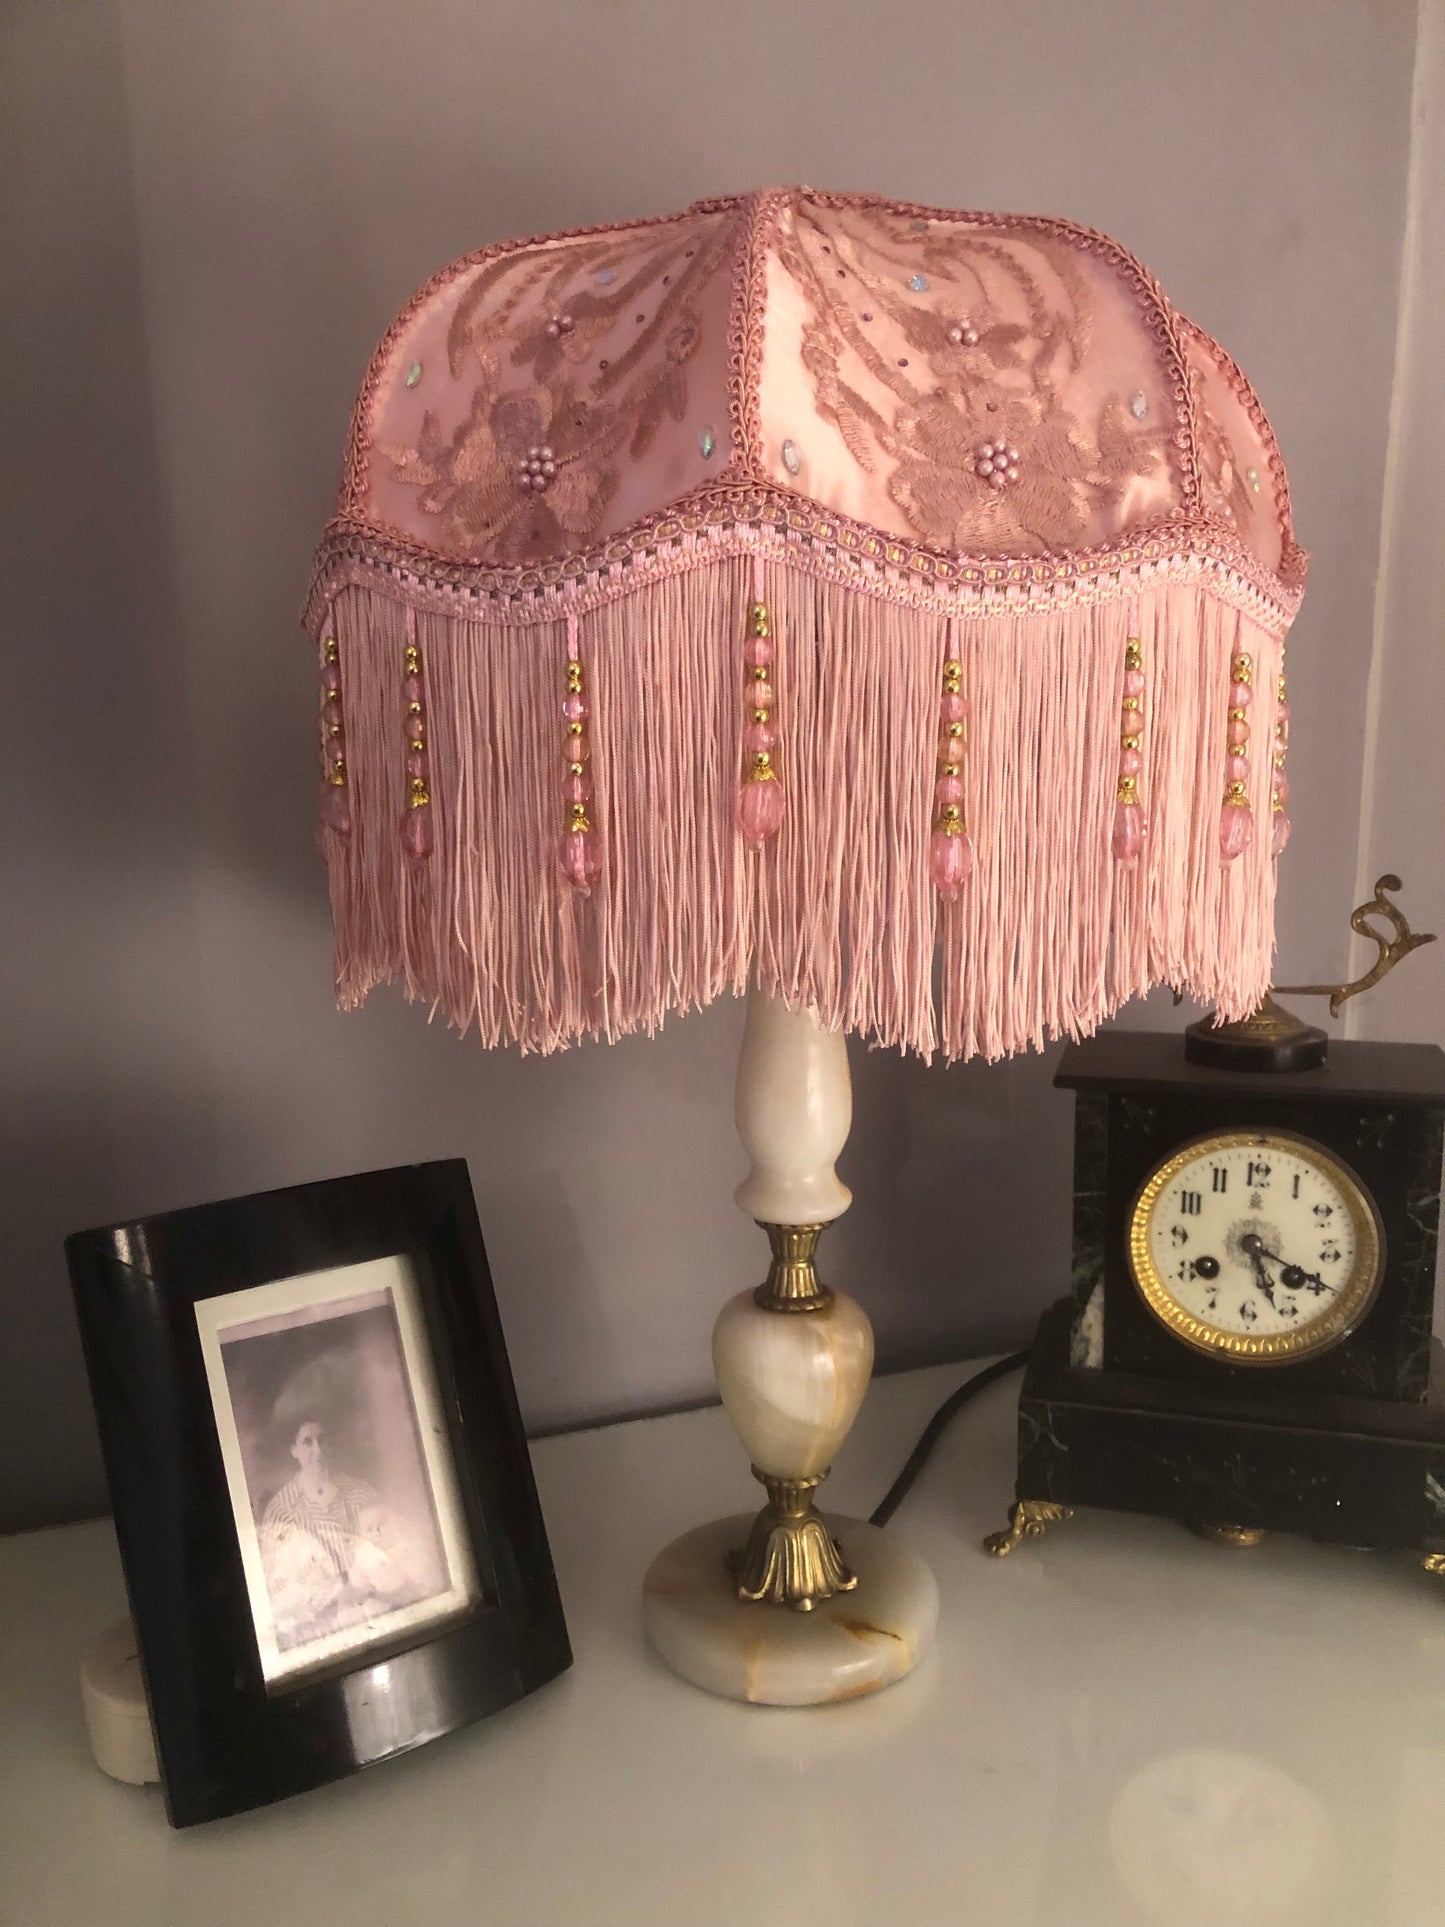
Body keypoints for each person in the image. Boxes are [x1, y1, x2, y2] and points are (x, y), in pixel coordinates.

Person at [258, 1416, 381, 1648]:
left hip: (372, 1615)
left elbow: (390, 1552)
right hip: (318, 1630)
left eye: (322, 1440)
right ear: (294, 1450)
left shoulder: (359, 1492)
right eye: (307, 1442)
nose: (318, 1449)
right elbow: (277, 1587)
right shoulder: (281, 1510)